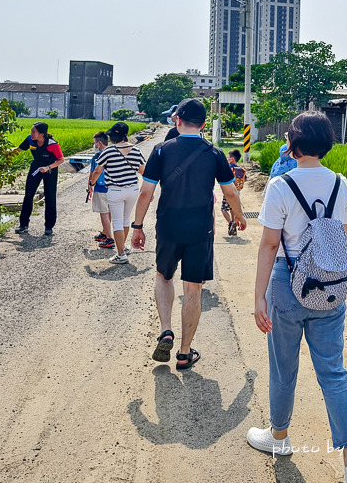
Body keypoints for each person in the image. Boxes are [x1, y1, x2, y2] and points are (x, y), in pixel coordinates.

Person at [248, 111, 347, 483]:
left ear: (293, 142)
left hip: (287, 280)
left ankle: (279, 438)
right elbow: (342, 235)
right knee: (333, 371)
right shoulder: (339, 183)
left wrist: (258, 298)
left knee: (284, 368)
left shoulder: (281, 185)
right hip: (330, 283)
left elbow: (269, 244)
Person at [131, 98, 246, 370]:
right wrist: (239, 216)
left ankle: (166, 330)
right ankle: (184, 353)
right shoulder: (216, 154)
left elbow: (146, 192)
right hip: (200, 229)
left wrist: (137, 227)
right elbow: (229, 192)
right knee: (193, 288)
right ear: (204, 124)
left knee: (164, 275)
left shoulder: (161, 151)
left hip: (168, 226)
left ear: (177, 120)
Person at [88, 122, 146, 264]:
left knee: (118, 222)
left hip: (115, 190)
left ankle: (120, 254)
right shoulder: (136, 150)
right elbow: (144, 171)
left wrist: (91, 183)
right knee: (126, 220)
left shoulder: (108, 151)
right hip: (132, 190)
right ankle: (123, 247)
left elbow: (97, 171)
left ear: (114, 137)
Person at [11, 121, 66, 236]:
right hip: (36, 169)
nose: (31, 133)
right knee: (28, 195)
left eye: (33, 132)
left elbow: (61, 160)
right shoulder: (30, 140)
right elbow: (19, 149)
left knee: (50, 197)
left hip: (50, 169)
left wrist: (47, 167)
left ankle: (49, 226)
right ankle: (23, 225)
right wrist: (6, 153)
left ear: (41, 134)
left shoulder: (52, 144)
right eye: (31, 131)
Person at [90, 132, 116, 249]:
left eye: (95, 143)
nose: (94, 145)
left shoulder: (96, 157)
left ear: (99, 143)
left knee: (103, 213)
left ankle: (109, 238)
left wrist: (90, 185)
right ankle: (104, 233)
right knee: (109, 212)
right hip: (113, 188)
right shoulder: (114, 154)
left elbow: (93, 173)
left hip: (100, 188)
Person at [221, 150, 247, 236]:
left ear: (232, 159)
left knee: (224, 210)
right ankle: (233, 222)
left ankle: (231, 223)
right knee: (232, 208)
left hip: (228, 192)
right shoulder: (240, 169)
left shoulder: (228, 168)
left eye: (228, 157)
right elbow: (245, 179)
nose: (227, 159)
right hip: (237, 192)